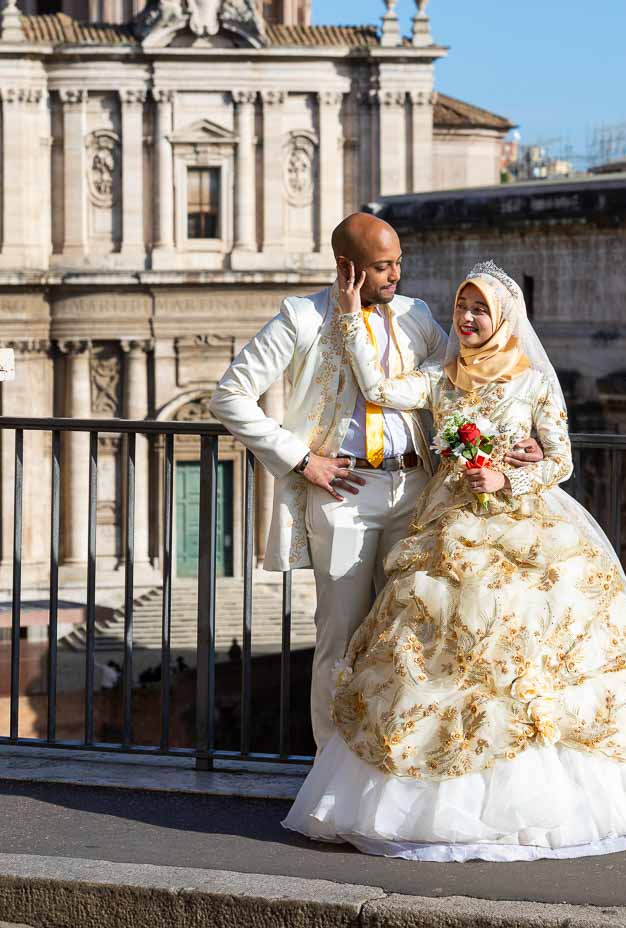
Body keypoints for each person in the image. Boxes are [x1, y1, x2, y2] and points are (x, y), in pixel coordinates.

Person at [283, 260, 626, 861]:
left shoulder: (533, 380)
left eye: (479, 309)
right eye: (462, 308)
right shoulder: (442, 376)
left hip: (528, 527)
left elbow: (560, 460)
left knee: (541, 651)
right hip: (450, 529)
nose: (468, 319)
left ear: (504, 315)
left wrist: (507, 476)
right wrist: (351, 318)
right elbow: (381, 391)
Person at [209, 218, 542, 748]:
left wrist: (524, 440)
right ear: (348, 268)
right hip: (343, 495)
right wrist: (300, 460)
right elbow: (229, 396)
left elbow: (466, 384)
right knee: (339, 638)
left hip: (416, 491)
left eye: (398, 262)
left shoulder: (417, 316)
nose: (396, 274)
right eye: (383, 266)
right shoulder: (301, 318)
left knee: (411, 633)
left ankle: (393, 762)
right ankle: (332, 768)